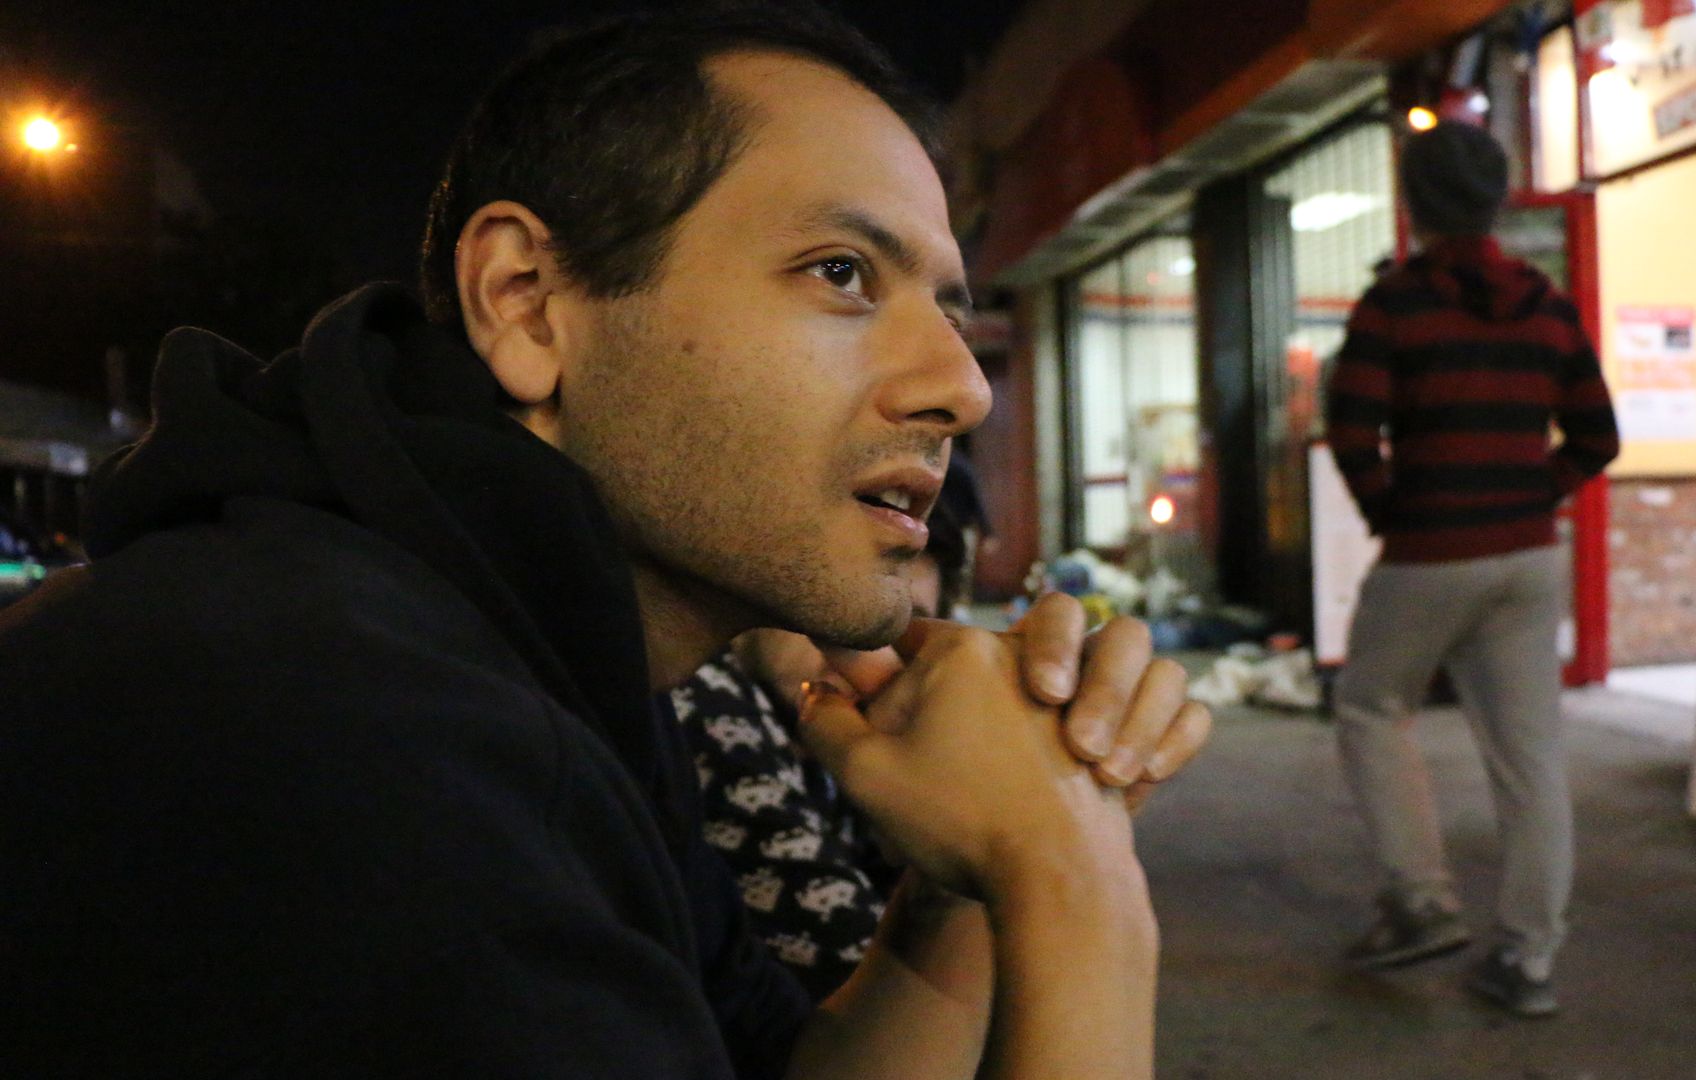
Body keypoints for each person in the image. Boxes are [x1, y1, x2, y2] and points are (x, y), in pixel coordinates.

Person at [0, 6, 1212, 1077]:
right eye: (841, 272)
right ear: (525, 301)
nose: (963, 388)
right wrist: (1079, 894)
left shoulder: (541, 655)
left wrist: (971, 880)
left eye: (949, 311)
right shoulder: (330, 737)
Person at [1324, 119, 1618, 1018]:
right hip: (1529, 556)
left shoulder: (1394, 304)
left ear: (1416, 202)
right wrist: (1535, 495)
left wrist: (1395, 512)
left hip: (1429, 555)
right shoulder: (1547, 304)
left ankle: (1422, 903)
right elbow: (1599, 437)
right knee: (1531, 759)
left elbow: (1352, 430)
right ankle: (1528, 963)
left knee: (1373, 705)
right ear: (1494, 200)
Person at [670, 459, 990, 1000]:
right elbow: (858, 974)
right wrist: (1049, 858)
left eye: (902, 626)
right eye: (836, 607)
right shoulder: (702, 700)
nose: (865, 645)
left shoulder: (847, 741)